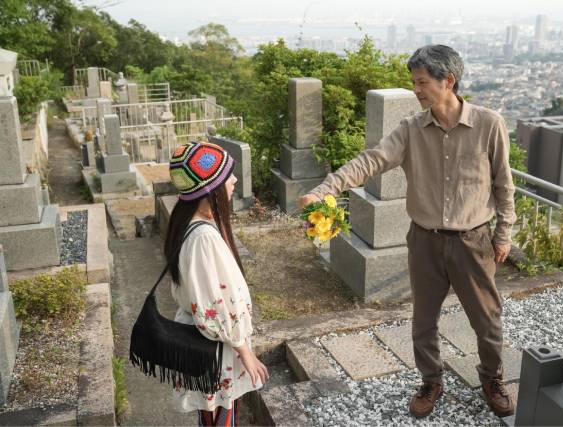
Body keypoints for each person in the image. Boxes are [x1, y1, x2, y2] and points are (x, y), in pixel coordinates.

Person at [299, 45, 516, 418]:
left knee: (487, 320)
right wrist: (325, 189)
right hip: (424, 241)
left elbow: (504, 184)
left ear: (448, 81)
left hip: (473, 241)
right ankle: (431, 380)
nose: (416, 90)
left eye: (422, 82)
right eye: (413, 82)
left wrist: (503, 233)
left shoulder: (488, 124)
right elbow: (371, 161)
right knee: (423, 320)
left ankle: (492, 379)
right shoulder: (410, 130)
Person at [165, 141, 268, 426]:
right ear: (210, 189)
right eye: (227, 176)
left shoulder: (190, 225)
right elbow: (215, 305)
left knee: (211, 415)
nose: (234, 180)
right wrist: (245, 351)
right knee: (218, 417)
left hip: (206, 344)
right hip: (214, 348)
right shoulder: (204, 239)